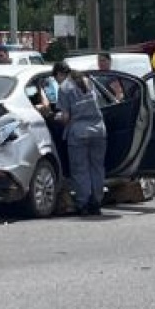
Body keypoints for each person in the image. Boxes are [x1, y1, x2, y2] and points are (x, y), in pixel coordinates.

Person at [52, 61, 107, 216]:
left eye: (56, 79)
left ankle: (83, 203)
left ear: (59, 74)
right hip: (99, 130)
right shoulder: (88, 81)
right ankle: (96, 203)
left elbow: (66, 117)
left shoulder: (64, 88)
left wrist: (55, 117)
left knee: (80, 169)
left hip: (79, 133)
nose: (57, 82)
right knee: (97, 168)